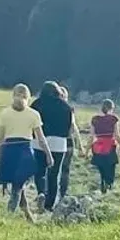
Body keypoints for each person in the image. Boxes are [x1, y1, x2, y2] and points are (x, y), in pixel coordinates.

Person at [0, 84, 46, 219]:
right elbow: (41, 138)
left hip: (8, 150)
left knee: (17, 184)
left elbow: (0, 138)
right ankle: (9, 215)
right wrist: (49, 155)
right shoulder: (34, 114)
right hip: (24, 150)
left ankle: (27, 214)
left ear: (13, 96)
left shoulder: (5, 113)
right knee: (18, 186)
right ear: (28, 97)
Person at [32, 80, 75, 209]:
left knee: (39, 171)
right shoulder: (66, 107)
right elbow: (69, 128)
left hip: (39, 141)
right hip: (59, 143)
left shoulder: (36, 104)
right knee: (54, 174)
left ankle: (41, 192)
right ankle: (49, 204)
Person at [88, 99, 120, 192]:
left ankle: (103, 183)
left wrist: (86, 150)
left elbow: (91, 136)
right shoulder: (113, 119)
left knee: (102, 168)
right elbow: (117, 135)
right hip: (110, 146)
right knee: (111, 167)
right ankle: (109, 186)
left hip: (98, 147)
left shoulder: (95, 119)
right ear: (111, 108)